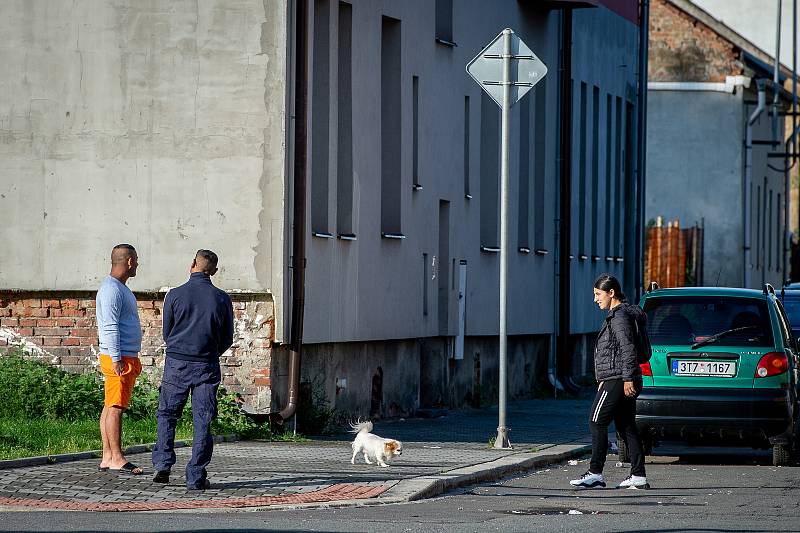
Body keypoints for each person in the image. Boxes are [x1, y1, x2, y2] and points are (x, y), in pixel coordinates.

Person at [152, 249, 234, 490]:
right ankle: (195, 476)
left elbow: (168, 332)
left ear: (192, 265)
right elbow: (227, 337)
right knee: (202, 420)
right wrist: (210, 352)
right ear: (214, 271)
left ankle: (163, 465)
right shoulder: (221, 298)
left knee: (167, 414)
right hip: (206, 364)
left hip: (177, 363)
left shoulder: (175, 295)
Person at [570, 274, 649, 489]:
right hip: (619, 377)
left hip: (618, 378)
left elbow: (627, 349)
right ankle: (638, 476)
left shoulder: (619, 316)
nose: (595, 299)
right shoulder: (621, 314)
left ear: (611, 292)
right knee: (626, 426)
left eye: (598, 294)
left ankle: (595, 473)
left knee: (597, 420)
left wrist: (626, 379)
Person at [96, 243, 144, 475]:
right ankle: (116, 457)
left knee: (110, 405)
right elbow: (109, 326)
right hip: (119, 356)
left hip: (122, 354)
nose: (137, 264)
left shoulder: (117, 288)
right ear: (129, 261)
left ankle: (108, 457)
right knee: (116, 407)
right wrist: (116, 358)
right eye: (136, 260)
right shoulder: (112, 289)